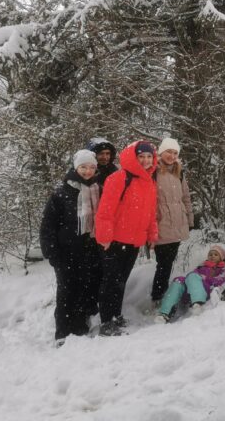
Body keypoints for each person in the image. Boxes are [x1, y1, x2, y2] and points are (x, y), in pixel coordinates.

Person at [95, 140, 158, 336]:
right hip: (114, 241)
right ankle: (106, 322)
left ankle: (116, 316)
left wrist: (151, 234)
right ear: (134, 157)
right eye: (142, 156)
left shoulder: (149, 181)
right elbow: (105, 210)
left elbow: (150, 213)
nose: (146, 160)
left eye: (149, 156)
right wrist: (104, 237)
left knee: (121, 280)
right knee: (110, 282)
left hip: (133, 242)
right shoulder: (119, 178)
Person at [40, 149, 101, 343]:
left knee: (85, 290)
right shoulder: (61, 193)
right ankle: (62, 333)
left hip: (90, 251)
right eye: (83, 167)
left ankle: (80, 328)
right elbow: (47, 225)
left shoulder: (98, 189)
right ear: (76, 168)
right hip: (65, 253)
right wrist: (51, 252)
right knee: (66, 292)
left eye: (91, 167)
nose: (87, 171)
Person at [151, 138, 194, 308]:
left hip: (177, 223)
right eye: (169, 151)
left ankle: (163, 294)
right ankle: (158, 297)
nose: (172, 156)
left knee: (167, 263)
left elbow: (186, 197)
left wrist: (190, 220)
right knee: (164, 264)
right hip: (161, 224)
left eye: (175, 153)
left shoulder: (179, 171)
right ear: (161, 152)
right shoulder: (153, 171)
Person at [155, 245, 225, 323]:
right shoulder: (201, 267)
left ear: (221, 258)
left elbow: (221, 281)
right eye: (210, 254)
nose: (212, 256)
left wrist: (205, 279)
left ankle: (198, 303)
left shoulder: (222, 269)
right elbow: (192, 278)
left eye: (216, 254)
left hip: (206, 290)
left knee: (192, 275)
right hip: (192, 290)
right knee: (178, 281)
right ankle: (164, 313)